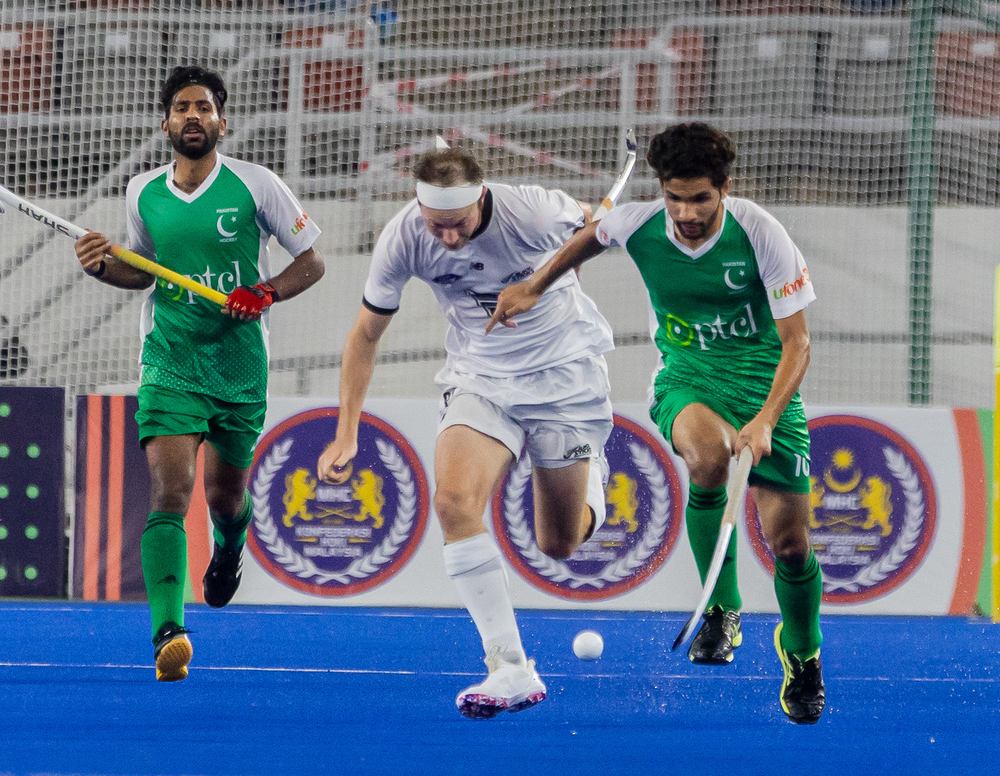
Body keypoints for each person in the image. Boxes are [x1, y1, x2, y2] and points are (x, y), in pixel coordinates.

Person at [489, 122, 825, 725]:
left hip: (765, 387)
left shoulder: (761, 234)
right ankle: (721, 610)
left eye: (700, 199)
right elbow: (589, 239)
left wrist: (766, 420)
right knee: (707, 458)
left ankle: (803, 656)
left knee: (792, 547)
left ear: (725, 189)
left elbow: (797, 344)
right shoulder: (638, 222)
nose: (686, 213)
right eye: (675, 197)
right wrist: (534, 286)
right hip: (687, 378)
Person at [317, 144, 614, 720]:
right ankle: (509, 666)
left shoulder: (532, 211)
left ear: (481, 198)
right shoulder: (403, 238)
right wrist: (346, 430)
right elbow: (364, 336)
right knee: (453, 502)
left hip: (563, 376)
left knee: (559, 544)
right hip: (480, 377)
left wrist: (552, 271)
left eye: (458, 224)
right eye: (437, 226)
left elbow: (598, 227)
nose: (448, 238)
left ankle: (591, 472)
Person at [74, 65, 325, 682]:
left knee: (225, 497)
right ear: (165, 124)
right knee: (169, 492)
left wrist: (264, 292)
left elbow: (312, 263)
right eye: (182, 107)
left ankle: (230, 546)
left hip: (240, 363)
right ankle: (169, 632)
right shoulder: (142, 192)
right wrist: (102, 267)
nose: (193, 115)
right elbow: (144, 270)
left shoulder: (257, 184)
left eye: (204, 107)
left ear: (222, 122)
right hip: (170, 359)